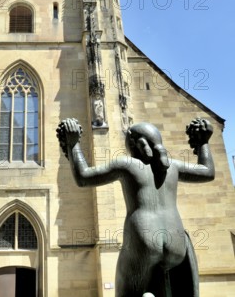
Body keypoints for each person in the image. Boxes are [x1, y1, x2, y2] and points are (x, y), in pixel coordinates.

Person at [56, 117, 215, 297]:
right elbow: (207, 171)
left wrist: (73, 143)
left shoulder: (127, 165)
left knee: (127, 291)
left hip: (142, 240)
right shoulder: (174, 167)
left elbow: (83, 177)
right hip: (176, 242)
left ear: (133, 141)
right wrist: (203, 143)